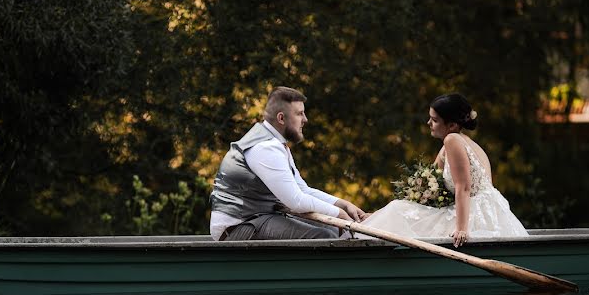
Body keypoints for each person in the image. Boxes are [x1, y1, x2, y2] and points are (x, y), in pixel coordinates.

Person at [362, 93, 528, 247]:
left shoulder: (452, 140)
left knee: (398, 209)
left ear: (452, 125)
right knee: (397, 208)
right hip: (490, 208)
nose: (428, 123)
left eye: (434, 120)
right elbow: (425, 187)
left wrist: (462, 229)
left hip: (473, 212)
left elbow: (463, 187)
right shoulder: (465, 143)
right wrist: (379, 214)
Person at [209, 86, 368, 241]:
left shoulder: (276, 144)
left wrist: (343, 204)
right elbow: (296, 201)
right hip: (237, 226)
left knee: (333, 229)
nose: (305, 120)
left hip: (256, 218)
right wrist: (338, 213)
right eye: (299, 114)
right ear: (281, 118)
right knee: (323, 236)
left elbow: (302, 190)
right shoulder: (265, 148)